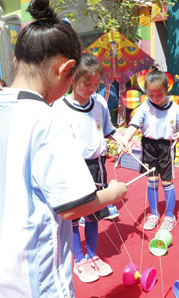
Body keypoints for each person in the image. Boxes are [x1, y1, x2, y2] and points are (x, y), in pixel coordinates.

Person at [0, 0, 128, 298]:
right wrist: (114, 192)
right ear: (67, 70)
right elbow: (76, 205)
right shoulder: (47, 120)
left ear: (15, 60)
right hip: (31, 278)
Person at [52, 53, 117, 283]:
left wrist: (122, 139)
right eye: (86, 83)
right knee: (73, 218)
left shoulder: (99, 102)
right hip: (73, 168)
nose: (91, 88)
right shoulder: (59, 108)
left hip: (98, 166)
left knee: (93, 215)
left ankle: (92, 255)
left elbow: (109, 129)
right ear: (72, 80)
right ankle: (78, 259)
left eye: (96, 83)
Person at [118, 66, 179, 231]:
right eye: (151, 94)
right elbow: (134, 125)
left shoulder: (174, 107)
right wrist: (125, 140)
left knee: (166, 181)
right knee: (151, 180)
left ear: (167, 90)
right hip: (148, 145)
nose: (155, 98)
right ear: (146, 91)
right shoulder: (145, 106)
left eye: (159, 94)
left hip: (166, 146)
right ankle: (154, 214)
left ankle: (170, 216)